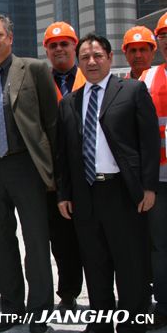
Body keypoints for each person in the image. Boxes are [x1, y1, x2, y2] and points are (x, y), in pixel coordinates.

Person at [56, 33, 159, 333]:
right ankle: (100, 323)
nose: (91, 62)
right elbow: (63, 154)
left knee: (130, 266)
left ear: (110, 58)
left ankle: (132, 324)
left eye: (97, 56)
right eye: (85, 57)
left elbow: (149, 142)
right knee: (95, 264)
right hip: (86, 195)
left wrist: (148, 187)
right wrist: (64, 194)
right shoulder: (70, 103)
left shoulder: (132, 91)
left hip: (123, 194)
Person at [0, 14, 56, 333]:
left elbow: (51, 123)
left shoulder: (35, 70)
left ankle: (39, 312)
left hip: (26, 166)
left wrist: (53, 173)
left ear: (10, 38)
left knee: (36, 242)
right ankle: (12, 307)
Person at [123, 19, 167, 330]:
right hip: (159, 180)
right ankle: (163, 306)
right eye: (164, 35)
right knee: (160, 247)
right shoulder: (147, 79)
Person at [42, 21, 85, 313]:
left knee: (95, 237)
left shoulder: (89, 77)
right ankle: (68, 292)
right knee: (61, 239)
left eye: (64, 44)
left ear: (75, 46)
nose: (59, 49)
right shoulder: (39, 81)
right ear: (46, 50)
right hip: (53, 175)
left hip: (87, 172)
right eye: (53, 45)